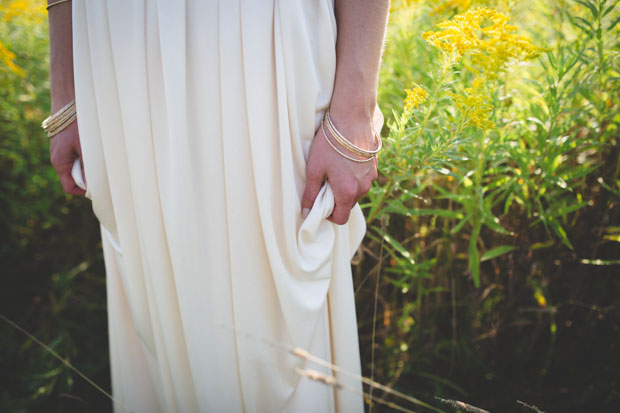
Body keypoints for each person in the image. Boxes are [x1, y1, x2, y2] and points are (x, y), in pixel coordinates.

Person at [46, 0, 390, 411]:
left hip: (261, 42)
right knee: (164, 312)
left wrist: (355, 111)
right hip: (123, 54)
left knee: (277, 318)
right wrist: (65, 87)